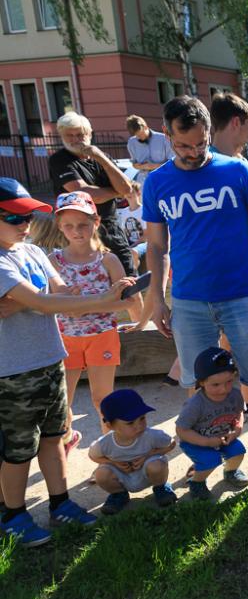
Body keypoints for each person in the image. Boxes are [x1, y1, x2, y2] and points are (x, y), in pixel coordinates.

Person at [143, 96, 248, 483]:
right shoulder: (158, 182)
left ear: (210, 132)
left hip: (241, 294)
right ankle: (208, 452)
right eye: (184, 145)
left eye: (201, 143)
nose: (194, 152)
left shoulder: (236, 170)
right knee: (199, 384)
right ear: (167, 134)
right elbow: (158, 247)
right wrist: (157, 297)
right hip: (189, 300)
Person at [0, 179, 133, 545]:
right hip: (13, 371)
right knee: (18, 449)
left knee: (55, 437)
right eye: (14, 217)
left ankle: (59, 503)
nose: (24, 224)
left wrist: (110, 294)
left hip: (50, 359)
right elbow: (46, 303)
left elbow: (58, 292)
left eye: (28, 216)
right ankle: (12, 513)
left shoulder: (34, 254)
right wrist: (106, 301)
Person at [50, 191, 141, 448]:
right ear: (59, 226)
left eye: (83, 224)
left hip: (102, 336)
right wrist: (99, 302)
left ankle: (108, 450)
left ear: (97, 222)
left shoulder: (109, 259)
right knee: (62, 399)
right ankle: (67, 439)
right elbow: (55, 303)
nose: (76, 231)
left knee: (102, 398)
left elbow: (128, 301)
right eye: (68, 225)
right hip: (64, 338)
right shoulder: (53, 261)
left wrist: (81, 307)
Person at [49, 111, 137, 276]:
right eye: (70, 135)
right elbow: (86, 195)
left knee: (129, 281)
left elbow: (127, 188)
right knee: (92, 284)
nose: (76, 139)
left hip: (111, 229)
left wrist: (100, 158)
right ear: (61, 136)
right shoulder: (60, 160)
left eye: (80, 134)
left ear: (90, 134)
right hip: (80, 232)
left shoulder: (101, 157)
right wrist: (116, 192)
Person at [175, 347, 248, 500]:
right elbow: (181, 430)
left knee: (238, 452)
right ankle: (197, 482)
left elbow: (239, 414)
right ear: (201, 382)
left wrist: (237, 429)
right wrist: (206, 442)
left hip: (224, 437)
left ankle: (231, 471)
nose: (223, 389)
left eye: (229, 382)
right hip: (195, 441)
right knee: (210, 460)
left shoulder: (235, 395)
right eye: (215, 385)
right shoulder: (195, 404)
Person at [89, 389, 177, 514]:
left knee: (156, 465)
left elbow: (171, 443)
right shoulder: (105, 443)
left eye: (142, 418)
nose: (139, 425)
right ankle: (118, 495)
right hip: (122, 475)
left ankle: (161, 488)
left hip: (147, 472)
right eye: (130, 422)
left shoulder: (151, 435)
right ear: (110, 425)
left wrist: (148, 455)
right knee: (101, 474)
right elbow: (93, 456)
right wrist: (113, 463)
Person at [125, 115, 174, 183]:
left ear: (145, 127)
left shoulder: (163, 139)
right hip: (143, 182)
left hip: (163, 179)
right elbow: (134, 164)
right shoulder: (131, 142)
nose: (140, 138)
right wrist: (142, 166)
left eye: (141, 134)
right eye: (137, 136)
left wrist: (152, 166)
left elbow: (172, 162)